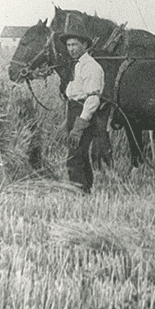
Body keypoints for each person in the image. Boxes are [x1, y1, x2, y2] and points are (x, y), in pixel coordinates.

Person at [60, 25, 105, 193]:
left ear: (85, 45)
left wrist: (80, 124)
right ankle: (85, 190)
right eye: (69, 45)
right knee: (80, 155)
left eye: (75, 44)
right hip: (74, 112)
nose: (71, 48)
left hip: (84, 115)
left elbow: (93, 98)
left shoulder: (92, 67)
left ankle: (79, 193)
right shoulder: (78, 65)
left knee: (74, 157)